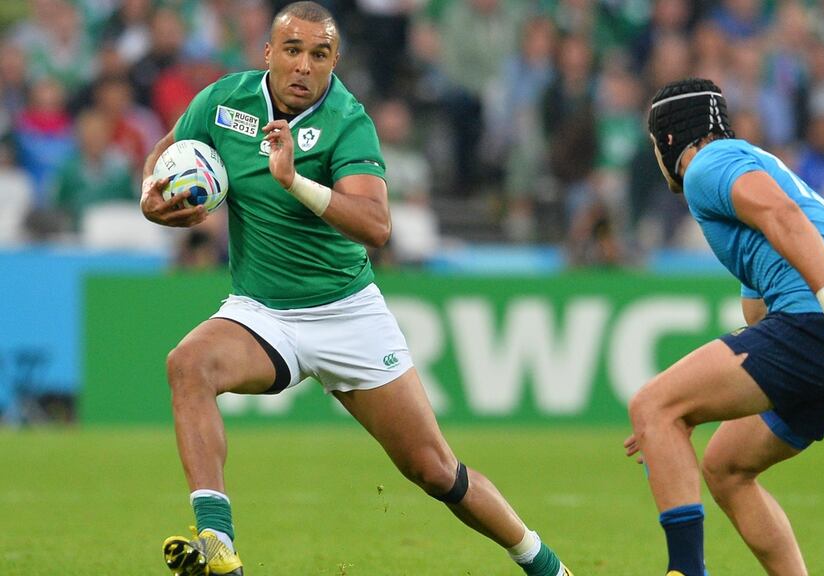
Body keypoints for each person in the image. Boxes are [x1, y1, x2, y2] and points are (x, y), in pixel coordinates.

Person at [139, 4, 573, 576]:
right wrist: (152, 197)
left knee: (435, 469)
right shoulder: (222, 103)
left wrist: (294, 181)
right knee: (187, 365)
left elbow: (376, 226)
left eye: (319, 55)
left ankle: (545, 565)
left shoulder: (347, 120)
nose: (303, 66)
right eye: (292, 50)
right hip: (261, 312)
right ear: (268, 53)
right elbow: (165, 154)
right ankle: (219, 548)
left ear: (334, 61)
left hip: (346, 314)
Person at [625, 78, 824, 576]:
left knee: (651, 404)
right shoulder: (757, 165)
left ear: (666, 141)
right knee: (725, 466)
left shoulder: (708, 164)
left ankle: (684, 572)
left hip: (823, 325)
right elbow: (757, 316)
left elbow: (784, 216)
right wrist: (677, 416)